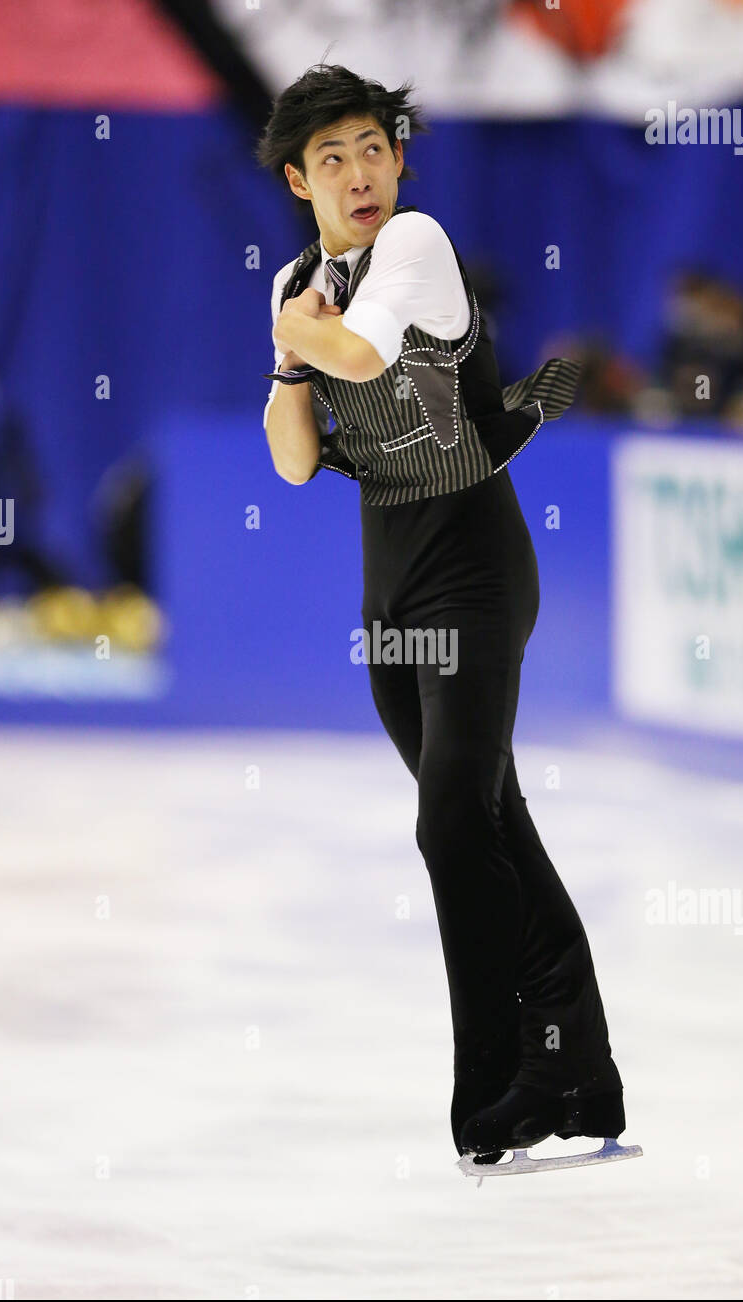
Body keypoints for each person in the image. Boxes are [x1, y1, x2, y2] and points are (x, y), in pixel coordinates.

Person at [257, 63, 626, 1163]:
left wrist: (299, 336)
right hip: (391, 593)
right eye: (332, 159)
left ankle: (494, 1087)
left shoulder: (413, 245)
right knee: (491, 818)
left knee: (451, 820)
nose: (360, 173)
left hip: (473, 567)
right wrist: (286, 350)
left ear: (399, 158)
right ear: (297, 179)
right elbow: (292, 461)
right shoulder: (296, 281)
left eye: (373, 147)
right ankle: (580, 1072)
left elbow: (361, 355)